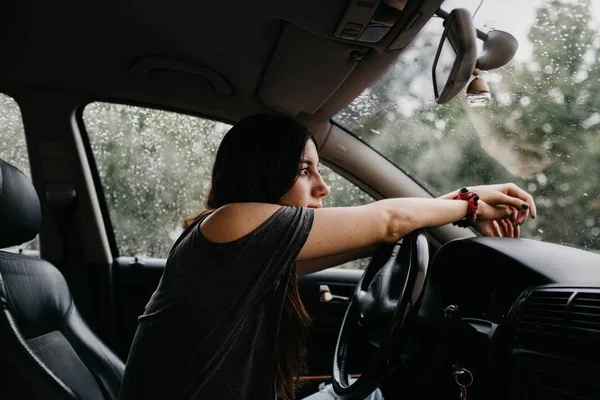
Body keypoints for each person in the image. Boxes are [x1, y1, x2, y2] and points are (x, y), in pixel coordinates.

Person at [118, 114, 536, 400]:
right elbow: (388, 221)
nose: (323, 187)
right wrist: (470, 202)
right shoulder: (232, 224)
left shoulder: (250, 250)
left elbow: (382, 231)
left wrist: (459, 208)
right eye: (304, 171)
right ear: (264, 172)